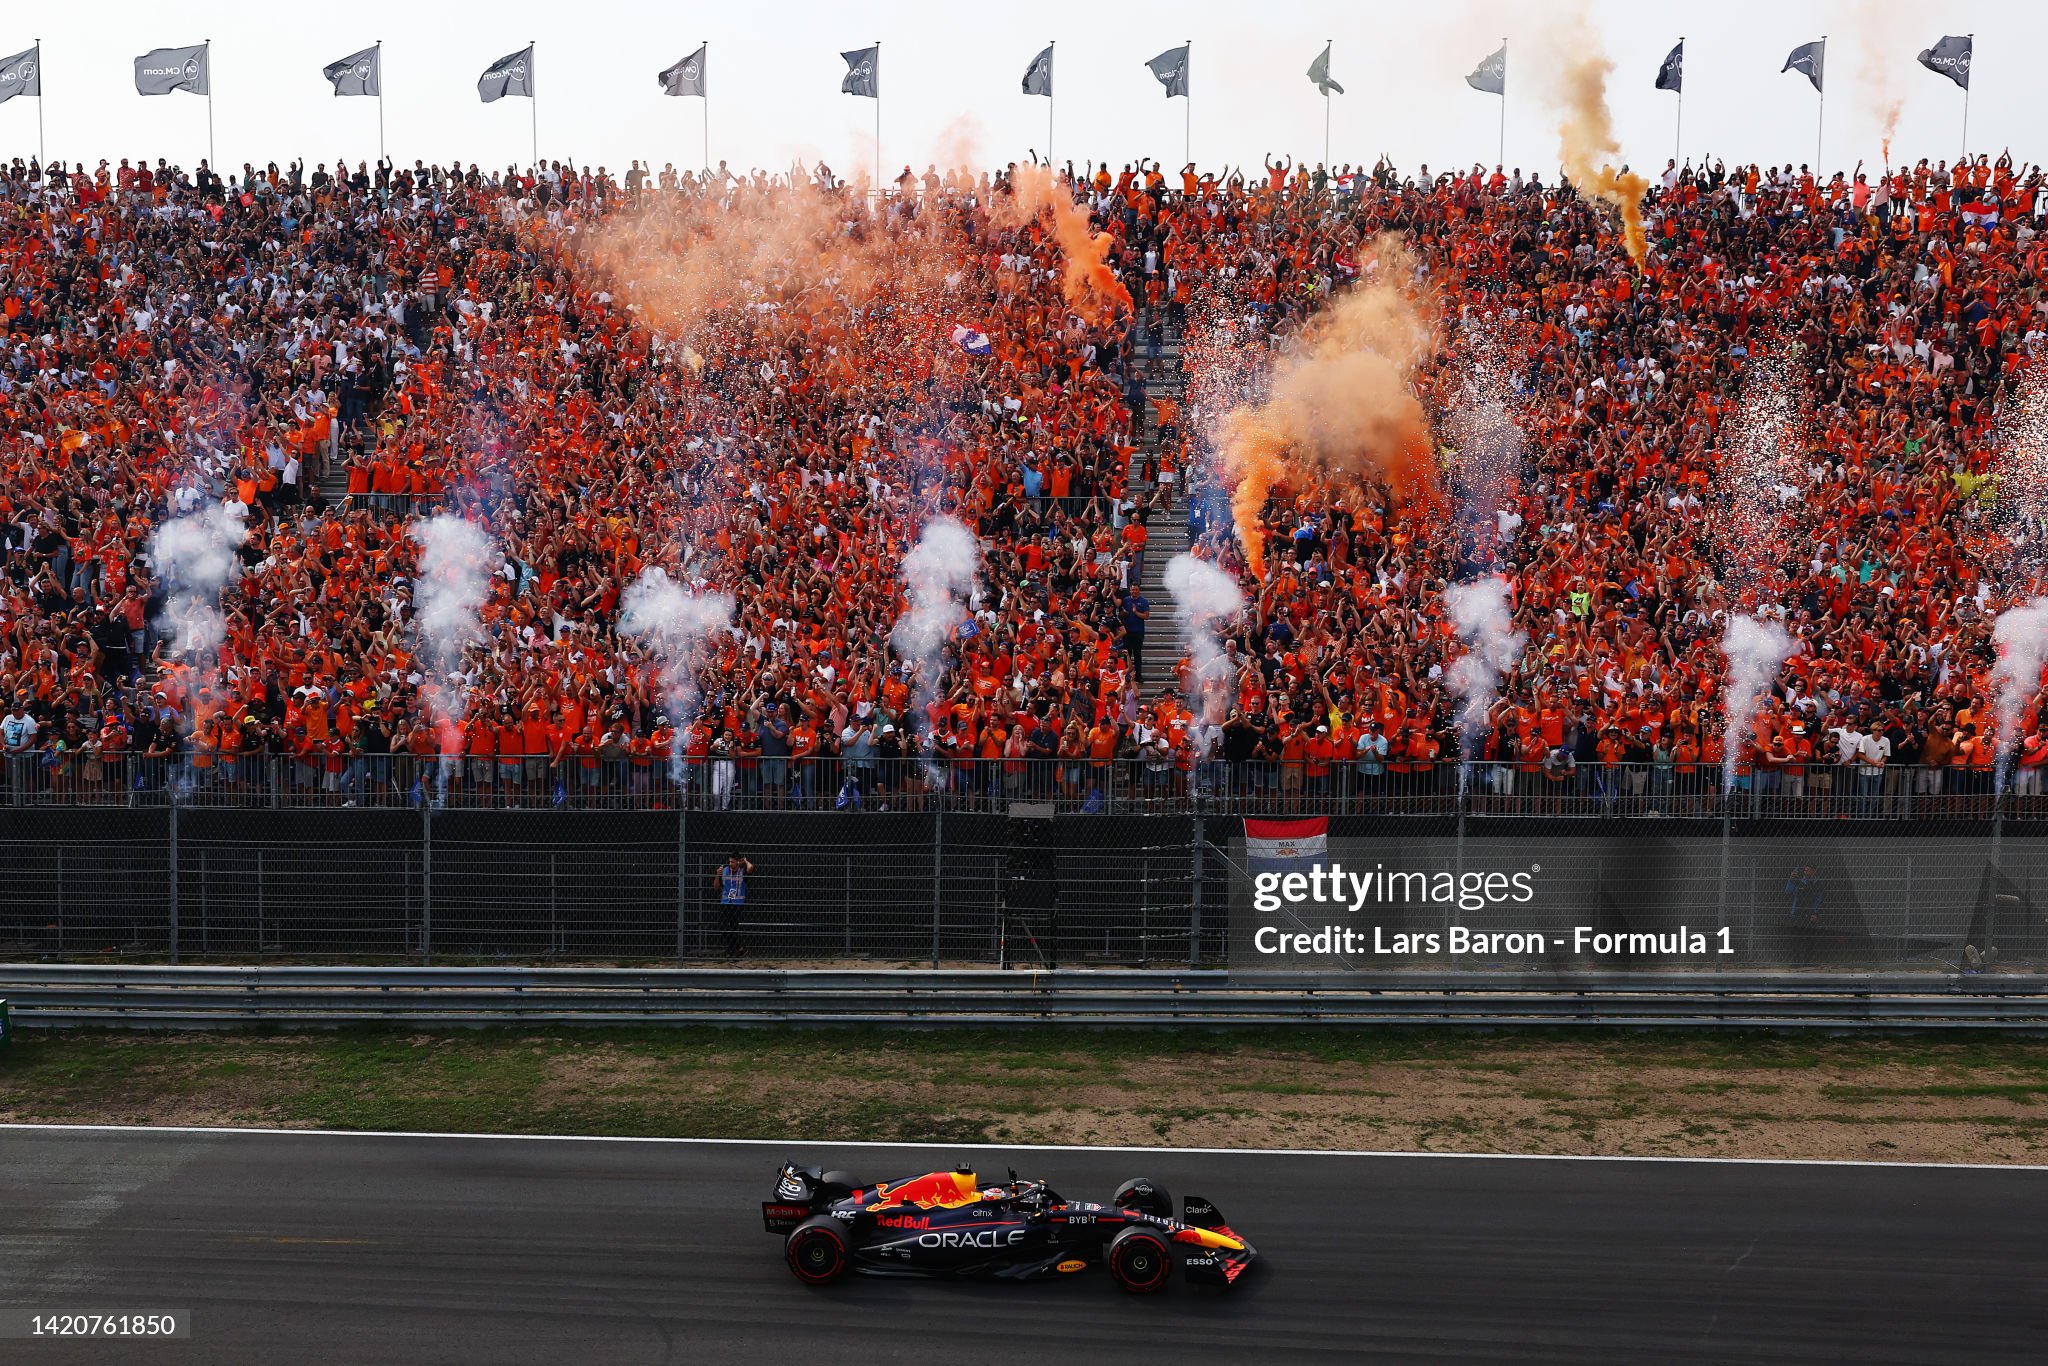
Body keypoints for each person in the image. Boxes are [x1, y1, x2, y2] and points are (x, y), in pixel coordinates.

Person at [716, 852, 755, 958]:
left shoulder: (742, 872)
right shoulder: (724, 871)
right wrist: (717, 875)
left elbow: (750, 868)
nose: (730, 864)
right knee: (723, 927)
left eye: (732, 862)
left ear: (738, 861)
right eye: (729, 861)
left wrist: (745, 861)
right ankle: (737, 948)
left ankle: (732, 950)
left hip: (737, 903)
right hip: (725, 902)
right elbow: (716, 887)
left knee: (733, 927)